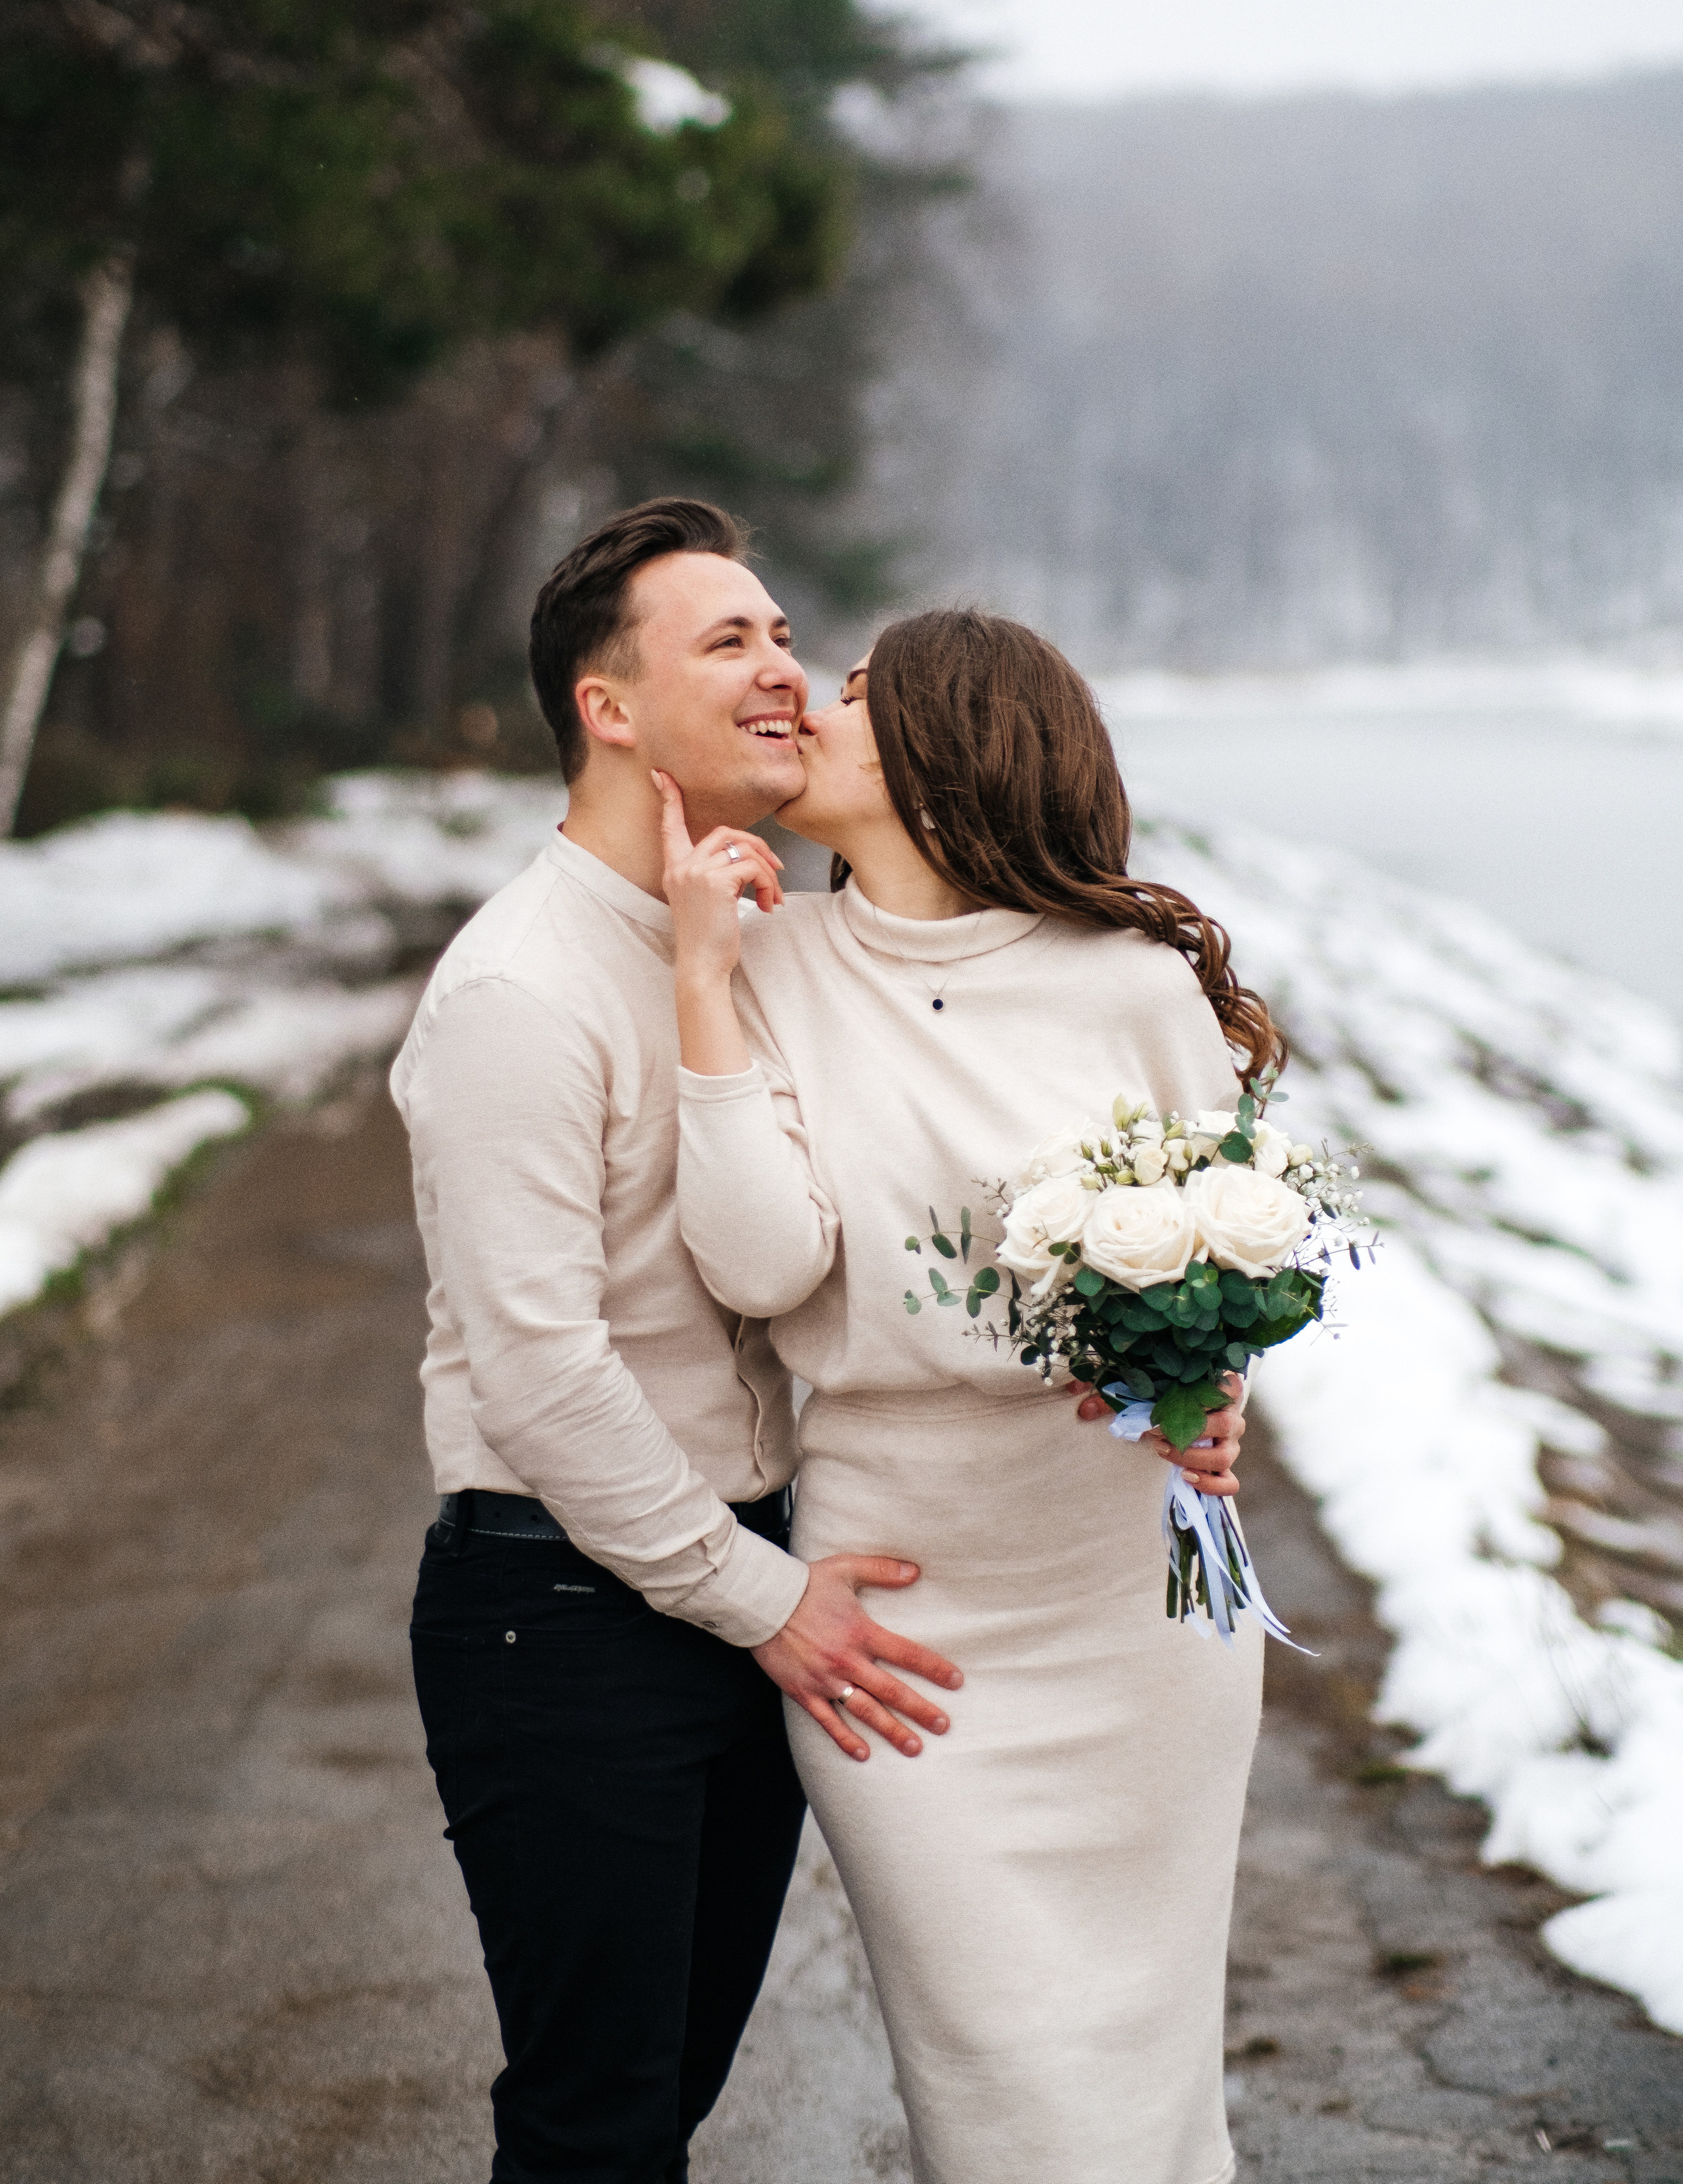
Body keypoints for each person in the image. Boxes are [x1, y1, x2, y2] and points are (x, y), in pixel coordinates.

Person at [657, 606, 1277, 2184]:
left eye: (858, 693)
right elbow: (757, 1265)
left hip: (1134, 1614)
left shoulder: (1131, 987)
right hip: (907, 1633)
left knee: (1144, 2088)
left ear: (951, 745)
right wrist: (702, 992)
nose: (810, 706)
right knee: (997, 2086)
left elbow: (1230, 1253)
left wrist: (1216, 1390)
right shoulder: (767, 959)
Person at [391, 498, 968, 2184]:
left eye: (784, 634)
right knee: (598, 2125)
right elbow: (539, 1373)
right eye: (729, 641)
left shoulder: (752, 936)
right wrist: (766, 1605)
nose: (784, 669)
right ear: (610, 709)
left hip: (736, 1588)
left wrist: (1172, 1380)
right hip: (562, 1619)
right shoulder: (518, 991)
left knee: (668, 2098)